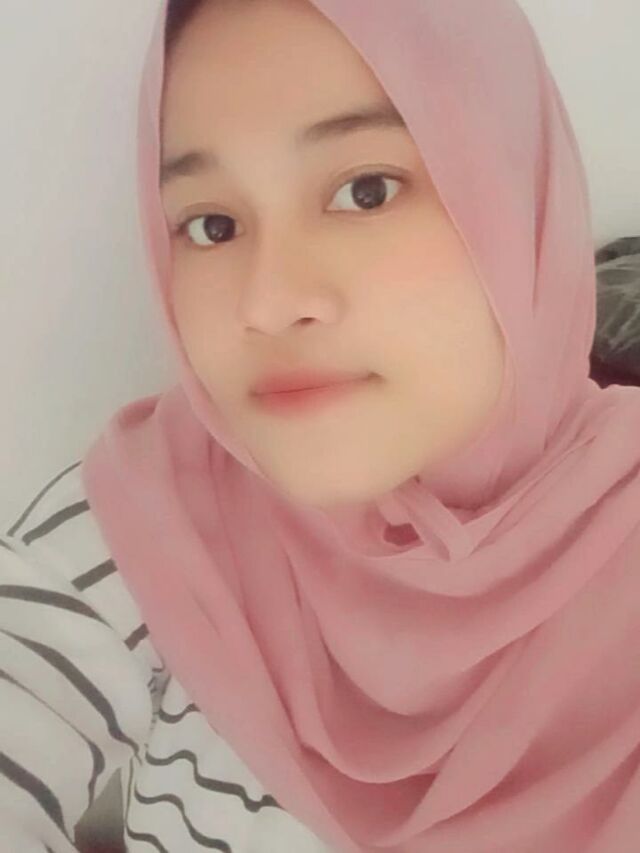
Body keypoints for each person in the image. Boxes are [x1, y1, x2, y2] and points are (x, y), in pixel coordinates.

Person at [3, 1, 640, 851]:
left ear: (520, 200)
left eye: (365, 190)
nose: (266, 302)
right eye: (212, 225)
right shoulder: (151, 515)